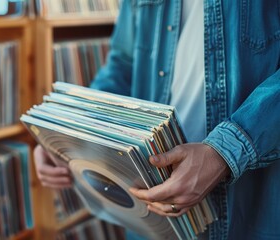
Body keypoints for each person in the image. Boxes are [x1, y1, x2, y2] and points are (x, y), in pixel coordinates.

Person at [33, 0, 280, 239]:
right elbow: (123, 65)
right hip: (152, 200)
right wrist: (67, 131)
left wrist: (224, 153)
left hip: (252, 204)